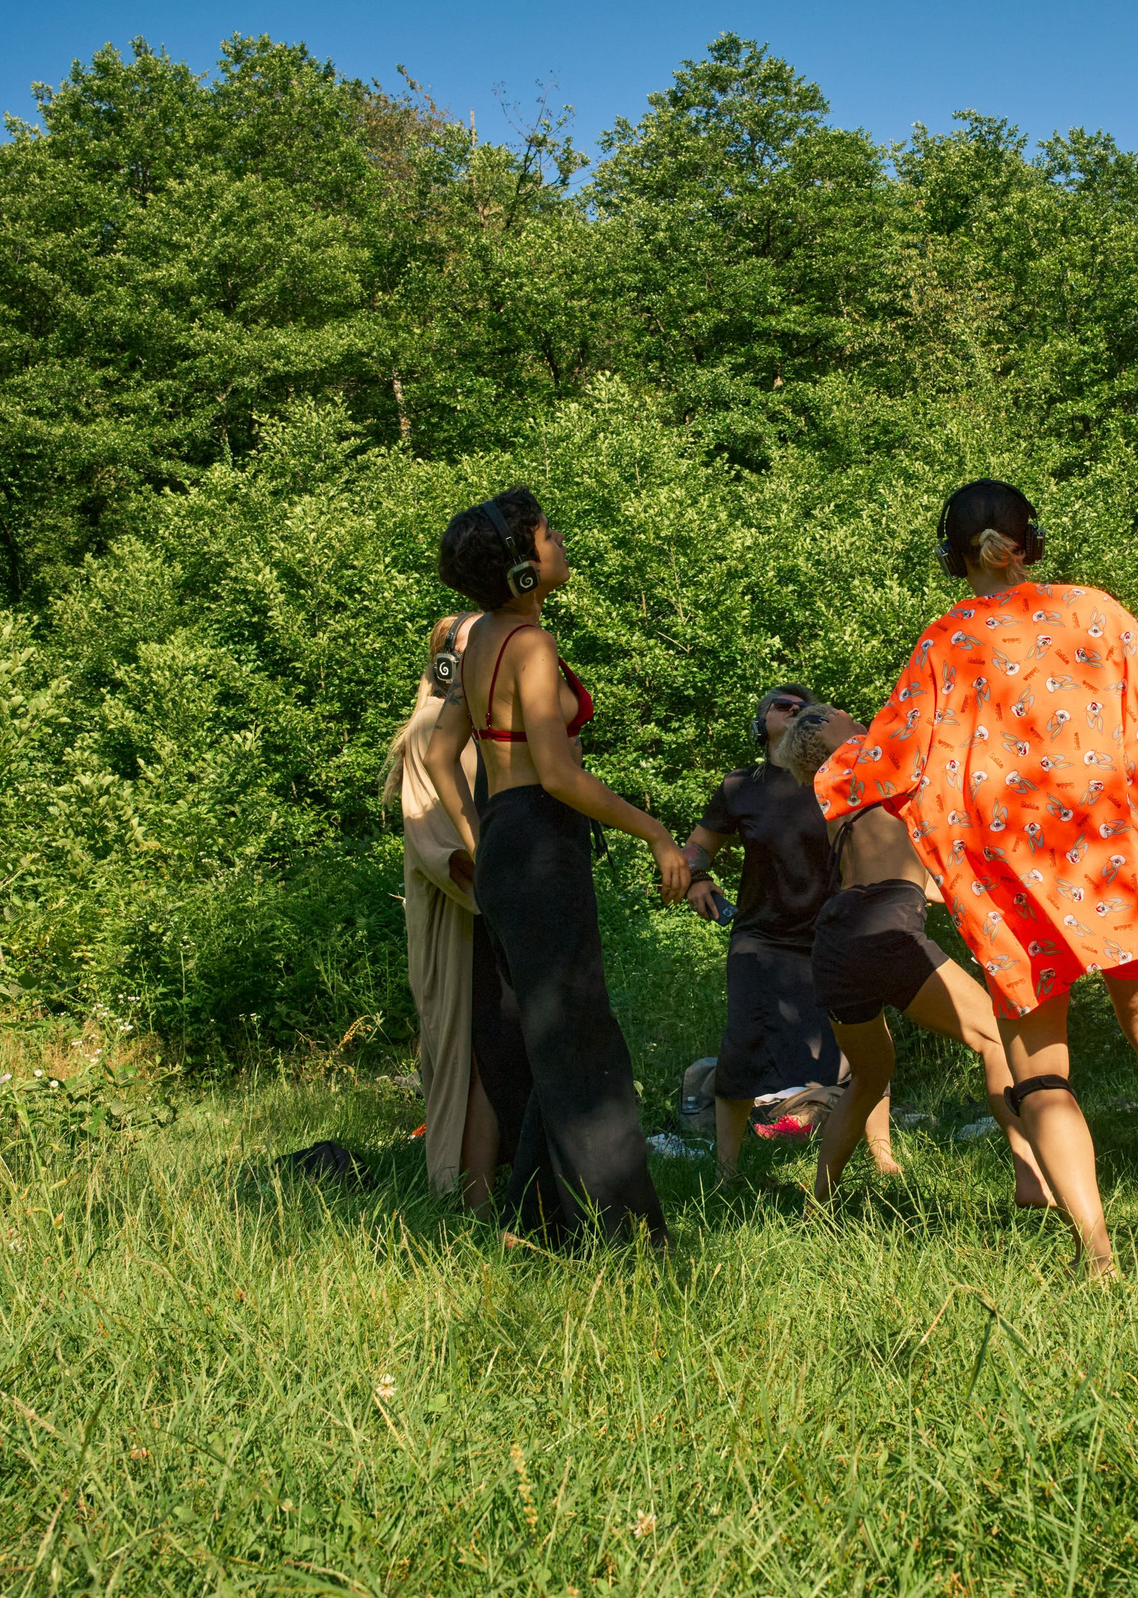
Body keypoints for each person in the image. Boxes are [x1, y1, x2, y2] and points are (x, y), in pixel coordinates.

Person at [814, 478, 1138, 1277]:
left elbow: (890, 757)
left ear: (953, 555)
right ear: (1030, 541)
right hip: (1111, 859)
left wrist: (820, 774)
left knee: (1039, 1066)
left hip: (1012, 881)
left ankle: (1097, 1248)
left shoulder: (944, 642)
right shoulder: (1094, 609)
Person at [421, 486, 692, 1247]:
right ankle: (623, 1237)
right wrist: (656, 831)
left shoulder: (476, 644)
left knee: (551, 1042)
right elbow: (561, 774)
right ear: (520, 567)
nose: (561, 540)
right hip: (541, 841)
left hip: (512, 844)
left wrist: (482, 840)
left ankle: (533, 1221)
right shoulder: (529, 646)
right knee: (580, 1042)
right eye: (549, 534)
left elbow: (441, 754)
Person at [784, 705, 1056, 1209]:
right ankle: (1031, 1176)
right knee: (995, 1038)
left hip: (839, 937)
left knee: (870, 1075)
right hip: (881, 926)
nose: (849, 713)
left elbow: (923, 879)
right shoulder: (853, 764)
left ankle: (817, 1202)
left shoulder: (848, 793)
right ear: (822, 733)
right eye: (835, 713)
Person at [683, 685, 895, 1178]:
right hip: (761, 937)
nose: (797, 710)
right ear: (761, 723)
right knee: (743, 1044)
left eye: (807, 708)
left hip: (836, 932)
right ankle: (726, 1170)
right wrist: (696, 876)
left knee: (866, 1043)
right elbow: (699, 845)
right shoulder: (740, 787)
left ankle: (884, 1159)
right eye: (784, 705)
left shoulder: (840, 780)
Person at [380, 612, 507, 1209]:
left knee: (503, 1048)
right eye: (474, 640)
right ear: (449, 660)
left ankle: (498, 1186)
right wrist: (510, 890)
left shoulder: (488, 724)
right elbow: (443, 846)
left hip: (496, 911)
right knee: (475, 1052)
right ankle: (466, 1199)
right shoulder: (432, 726)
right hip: (468, 918)